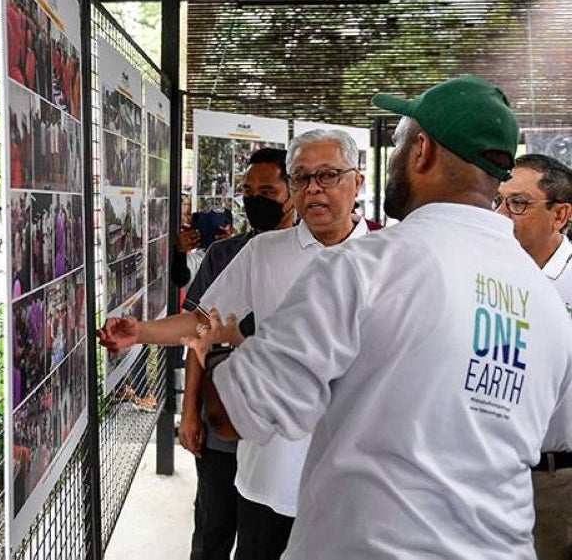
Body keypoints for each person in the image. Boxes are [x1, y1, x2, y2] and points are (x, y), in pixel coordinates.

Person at [186, 76, 572, 559]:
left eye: (397, 143)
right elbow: (546, 437)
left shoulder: (366, 267)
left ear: (422, 150)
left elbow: (231, 413)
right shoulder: (547, 303)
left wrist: (221, 347)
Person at [100, 133, 369, 560]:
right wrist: (142, 331)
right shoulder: (264, 252)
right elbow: (202, 319)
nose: (314, 188)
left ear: (358, 181)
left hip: (352, 482)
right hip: (270, 472)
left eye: (328, 175)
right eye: (301, 178)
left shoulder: (389, 259)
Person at [181, 147, 295, 560]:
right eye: (248, 190)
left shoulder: (312, 256)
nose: (254, 199)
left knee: (263, 542)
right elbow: (197, 337)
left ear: (292, 191)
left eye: (267, 190)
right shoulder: (223, 255)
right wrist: (190, 411)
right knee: (212, 531)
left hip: (276, 435)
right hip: (221, 423)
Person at [494, 153, 572, 560]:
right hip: (494, 476)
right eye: (499, 201)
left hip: (559, 480)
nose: (504, 214)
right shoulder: (488, 275)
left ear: (560, 215)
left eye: (519, 203)